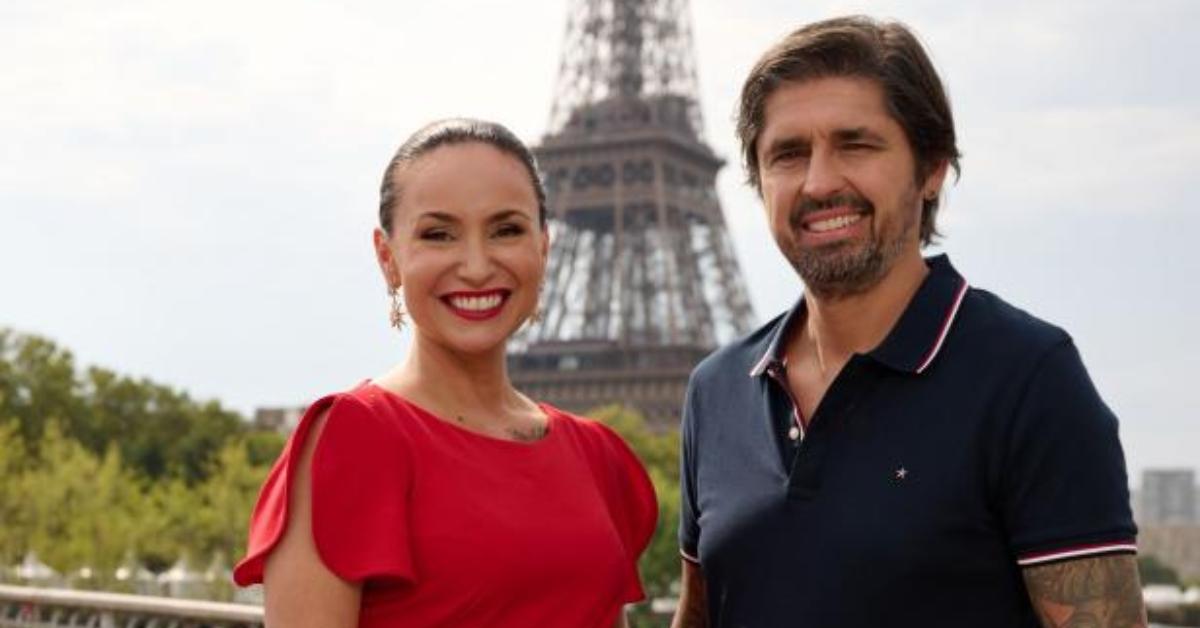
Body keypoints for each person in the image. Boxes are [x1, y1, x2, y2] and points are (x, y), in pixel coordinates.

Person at [671, 16, 1146, 628]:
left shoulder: (1029, 378)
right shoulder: (715, 391)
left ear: (932, 168)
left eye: (856, 145)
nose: (819, 182)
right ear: (759, 183)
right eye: (788, 154)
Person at [233, 118, 658, 628]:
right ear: (388, 259)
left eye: (506, 230)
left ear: (543, 249)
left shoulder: (598, 456)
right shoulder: (351, 438)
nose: (476, 265)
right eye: (439, 235)